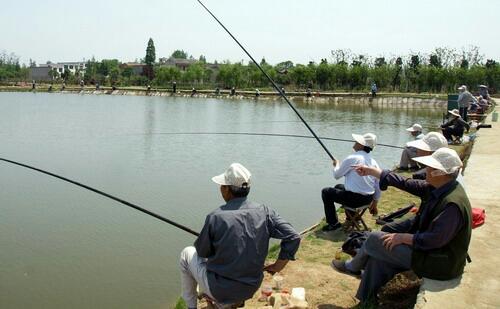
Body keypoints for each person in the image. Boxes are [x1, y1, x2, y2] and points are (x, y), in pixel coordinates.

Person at [332, 148, 472, 303]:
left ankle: (352, 266)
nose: (425, 171)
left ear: (440, 173)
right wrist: (372, 172)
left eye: (430, 168)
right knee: (379, 260)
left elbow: (435, 240)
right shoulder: (437, 189)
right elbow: (404, 183)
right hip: (429, 254)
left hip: (440, 262)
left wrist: (404, 238)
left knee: (374, 238)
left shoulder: (452, 204)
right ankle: (366, 301)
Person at [179, 163, 300, 309]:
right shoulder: (265, 212)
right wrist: (279, 265)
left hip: (221, 290)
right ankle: (228, 302)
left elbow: (203, 252)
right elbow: (293, 236)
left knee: (187, 254)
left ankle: (192, 306)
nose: (221, 189)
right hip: (251, 288)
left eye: (222, 185)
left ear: (227, 189)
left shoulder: (215, 217)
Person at [321, 133, 381, 231]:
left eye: (357, 141)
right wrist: (375, 202)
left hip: (355, 199)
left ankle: (333, 224)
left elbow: (337, 175)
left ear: (361, 145)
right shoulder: (373, 161)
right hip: (367, 199)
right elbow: (378, 185)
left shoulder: (353, 158)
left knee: (326, 192)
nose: (355, 142)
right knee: (339, 186)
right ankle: (353, 218)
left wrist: (336, 165)